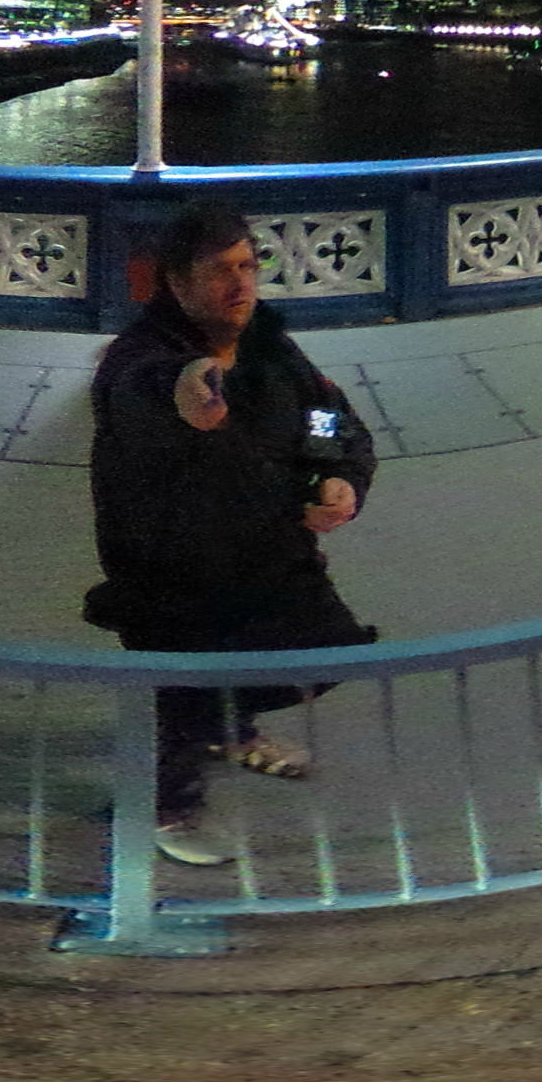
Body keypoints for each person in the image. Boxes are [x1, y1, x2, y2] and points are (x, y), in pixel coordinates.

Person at [82, 197, 381, 870]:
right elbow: (140, 394)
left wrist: (336, 477)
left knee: (313, 656)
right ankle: (164, 805)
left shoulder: (271, 347)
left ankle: (230, 728)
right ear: (178, 282)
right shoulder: (142, 357)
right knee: (185, 694)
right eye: (220, 270)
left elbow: (326, 416)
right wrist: (185, 393)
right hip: (173, 568)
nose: (240, 284)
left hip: (271, 553)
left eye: (247, 266)